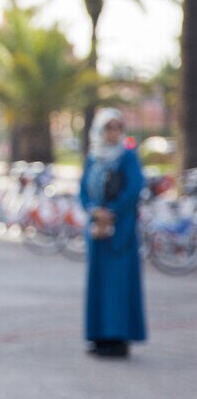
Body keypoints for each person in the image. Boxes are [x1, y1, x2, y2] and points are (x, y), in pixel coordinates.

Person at [79, 108, 146, 358]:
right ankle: (99, 335)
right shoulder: (93, 157)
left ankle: (118, 338)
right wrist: (93, 210)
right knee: (99, 284)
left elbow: (134, 188)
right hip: (98, 231)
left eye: (117, 127)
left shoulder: (127, 157)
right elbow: (83, 189)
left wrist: (112, 211)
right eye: (108, 127)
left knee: (119, 284)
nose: (113, 132)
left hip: (121, 232)